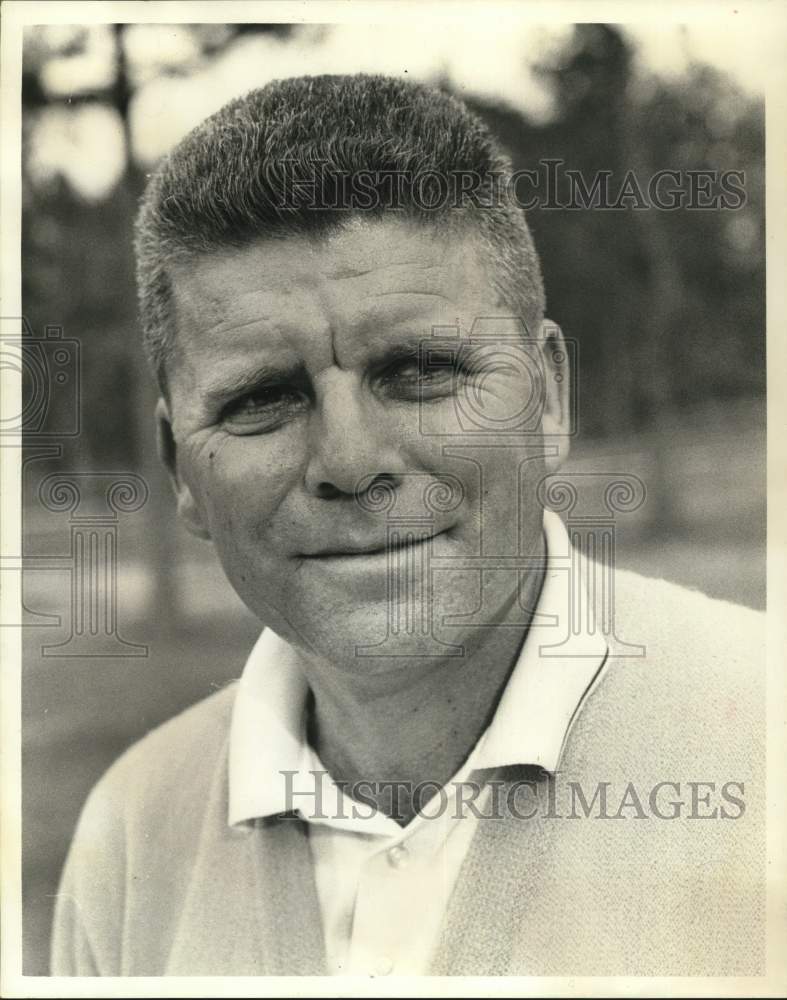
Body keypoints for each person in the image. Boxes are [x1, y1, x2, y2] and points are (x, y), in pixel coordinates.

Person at [51, 74, 764, 978]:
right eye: (263, 400)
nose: (349, 462)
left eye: (420, 370)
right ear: (178, 467)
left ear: (546, 395)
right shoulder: (130, 835)